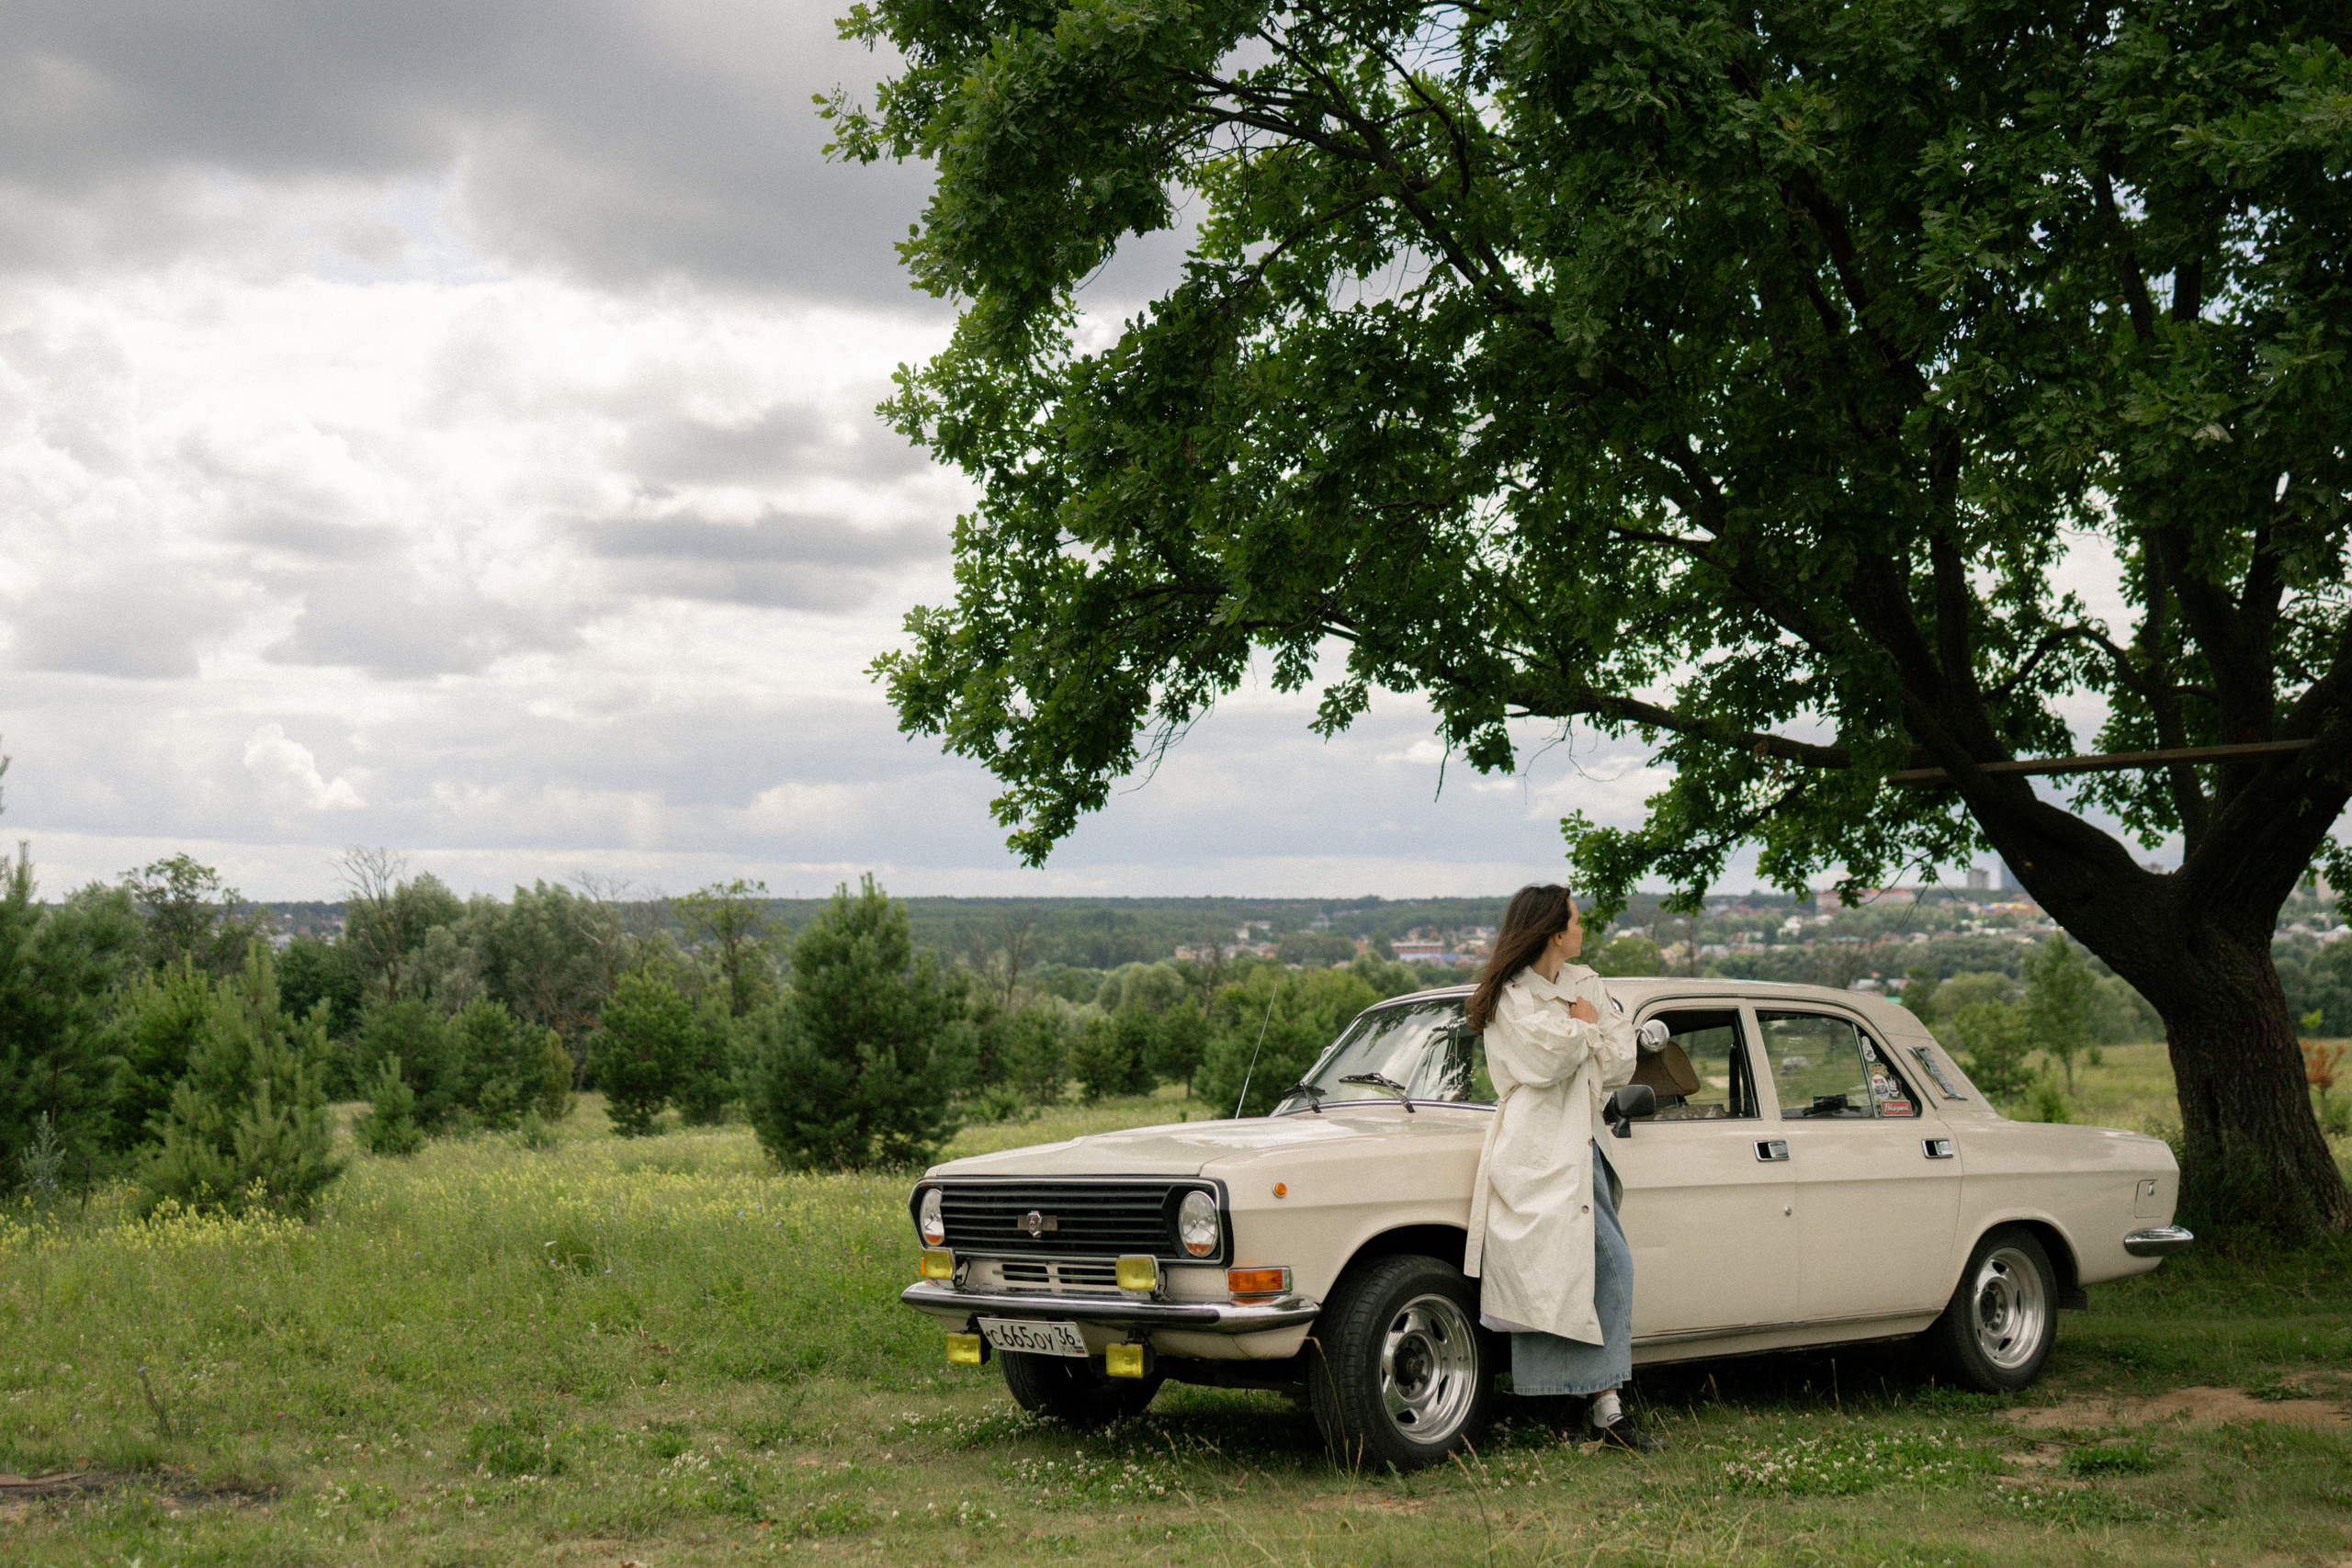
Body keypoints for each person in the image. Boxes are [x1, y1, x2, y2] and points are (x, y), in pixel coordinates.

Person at [1462, 883, 1665, 1452]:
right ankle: (1578, 1408)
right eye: (1576, 920)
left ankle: (1596, 1405)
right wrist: (1588, 1028)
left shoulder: (1587, 983)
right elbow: (1544, 1060)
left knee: (1606, 1266)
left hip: (1582, 1140)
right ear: (1555, 932)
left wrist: (1583, 1028)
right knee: (1548, 1275)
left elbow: (1624, 1060)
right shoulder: (1508, 995)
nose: (1583, 929)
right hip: (1533, 1146)